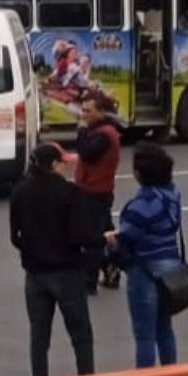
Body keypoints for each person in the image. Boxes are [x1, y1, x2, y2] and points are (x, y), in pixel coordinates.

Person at [10, 143, 95, 376]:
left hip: (35, 273)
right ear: (54, 165)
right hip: (68, 271)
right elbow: (80, 235)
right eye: (62, 163)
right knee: (80, 335)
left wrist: (31, 252)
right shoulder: (70, 192)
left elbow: (15, 235)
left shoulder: (20, 191)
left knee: (39, 336)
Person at [110, 142, 187, 368]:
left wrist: (110, 244)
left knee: (145, 336)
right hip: (170, 268)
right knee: (165, 329)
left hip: (144, 270)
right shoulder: (172, 195)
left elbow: (127, 236)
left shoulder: (142, 204)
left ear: (139, 173)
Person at [74, 91, 122, 292]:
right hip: (96, 189)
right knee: (105, 232)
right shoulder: (102, 130)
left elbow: (86, 152)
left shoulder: (103, 134)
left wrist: (81, 132)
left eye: (88, 111)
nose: (83, 115)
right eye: (82, 110)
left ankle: (89, 281)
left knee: (92, 238)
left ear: (100, 112)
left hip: (95, 191)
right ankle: (112, 266)